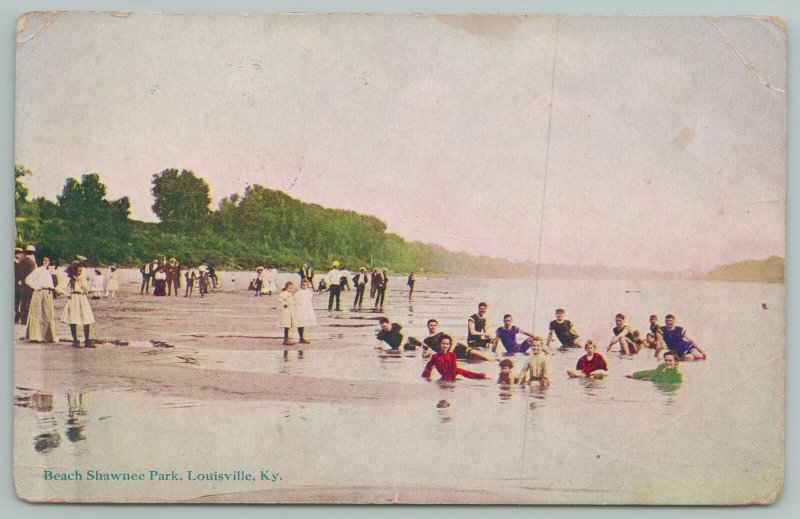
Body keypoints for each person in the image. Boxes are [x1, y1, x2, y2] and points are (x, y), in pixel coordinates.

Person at [421, 334, 487, 381]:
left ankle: (481, 376)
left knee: (473, 375)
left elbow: (454, 370)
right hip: (444, 379)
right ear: (439, 344)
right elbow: (427, 368)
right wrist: (427, 380)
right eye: (443, 344)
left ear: (450, 345)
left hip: (453, 377)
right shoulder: (435, 356)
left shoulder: (452, 355)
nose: (445, 346)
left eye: (447, 344)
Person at [419, 318, 491, 361]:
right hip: (451, 356)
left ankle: (493, 362)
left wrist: (450, 351)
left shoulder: (442, 333)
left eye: (435, 325)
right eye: (431, 325)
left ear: (437, 326)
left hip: (459, 348)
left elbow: (454, 339)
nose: (433, 327)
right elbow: (425, 354)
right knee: (471, 361)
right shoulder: (426, 340)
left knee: (483, 357)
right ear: (427, 326)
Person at [61, 263, 95, 348]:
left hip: (82, 298)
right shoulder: (69, 279)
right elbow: (58, 288)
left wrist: (82, 280)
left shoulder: (82, 278)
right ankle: (75, 341)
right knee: (73, 319)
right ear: (74, 270)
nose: (80, 272)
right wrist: (67, 294)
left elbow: (88, 289)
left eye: (81, 270)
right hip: (74, 298)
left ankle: (87, 341)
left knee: (87, 319)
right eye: (78, 270)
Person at [24, 256, 58, 343]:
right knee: (38, 314)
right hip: (40, 293)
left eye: (48, 260)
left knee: (47, 315)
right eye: (44, 260)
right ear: (41, 261)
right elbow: (28, 279)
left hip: (48, 293)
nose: (46, 262)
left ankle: (47, 336)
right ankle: (37, 336)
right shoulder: (38, 270)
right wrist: (37, 287)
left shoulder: (49, 271)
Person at [18, 245, 38, 325]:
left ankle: (23, 319)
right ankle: (27, 319)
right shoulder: (32, 262)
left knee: (23, 301)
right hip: (30, 284)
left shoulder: (22, 261)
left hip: (23, 284)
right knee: (29, 301)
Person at [293, 279, 316, 344]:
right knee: (300, 323)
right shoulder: (298, 293)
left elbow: (310, 300)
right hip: (300, 309)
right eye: (303, 285)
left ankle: (303, 337)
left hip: (306, 309)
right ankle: (301, 337)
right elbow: (295, 302)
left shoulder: (309, 292)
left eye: (306, 285)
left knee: (305, 323)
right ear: (300, 285)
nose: (304, 286)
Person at [278, 281, 297, 345]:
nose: (291, 289)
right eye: (289, 288)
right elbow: (280, 299)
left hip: (290, 311)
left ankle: (287, 339)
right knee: (286, 325)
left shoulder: (289, 294)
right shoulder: (284, 293)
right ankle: (285, 340)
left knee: (288, 326)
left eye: (291, 288)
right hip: (286, 312)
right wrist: (285, 304)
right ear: (286, 287)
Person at [14, 246, 25, 323]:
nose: (20, 256)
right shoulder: (14, 263)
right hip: (16, 284)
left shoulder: (19, 262)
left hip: (19, 284)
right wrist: (17, 280)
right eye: (19, 254)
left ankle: (17, 316)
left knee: (18, 300)